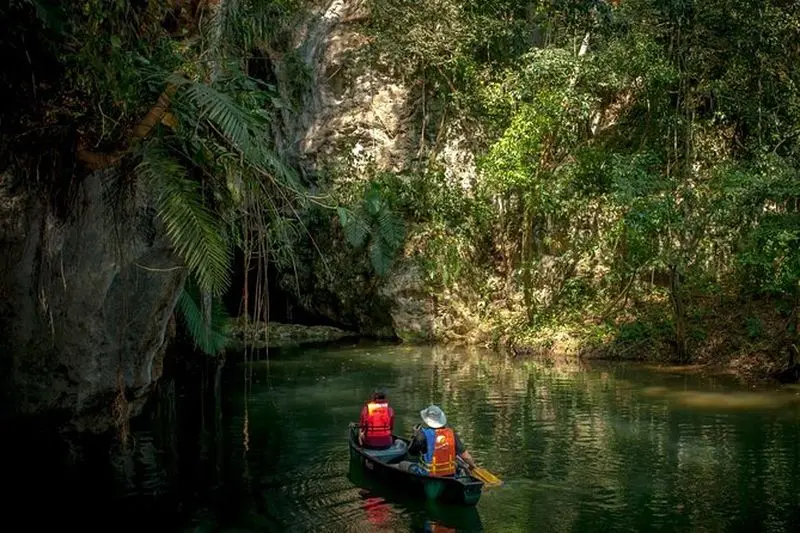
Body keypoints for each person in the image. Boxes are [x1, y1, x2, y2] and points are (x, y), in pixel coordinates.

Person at [399, 404, 477, 477]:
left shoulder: (422, 435)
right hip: (450, 475)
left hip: (428, 475)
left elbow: (411, 453)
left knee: (402, 464)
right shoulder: (451, 434)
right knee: (457, 463)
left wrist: (415, 436)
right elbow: (466, 457)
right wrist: (472, 466)